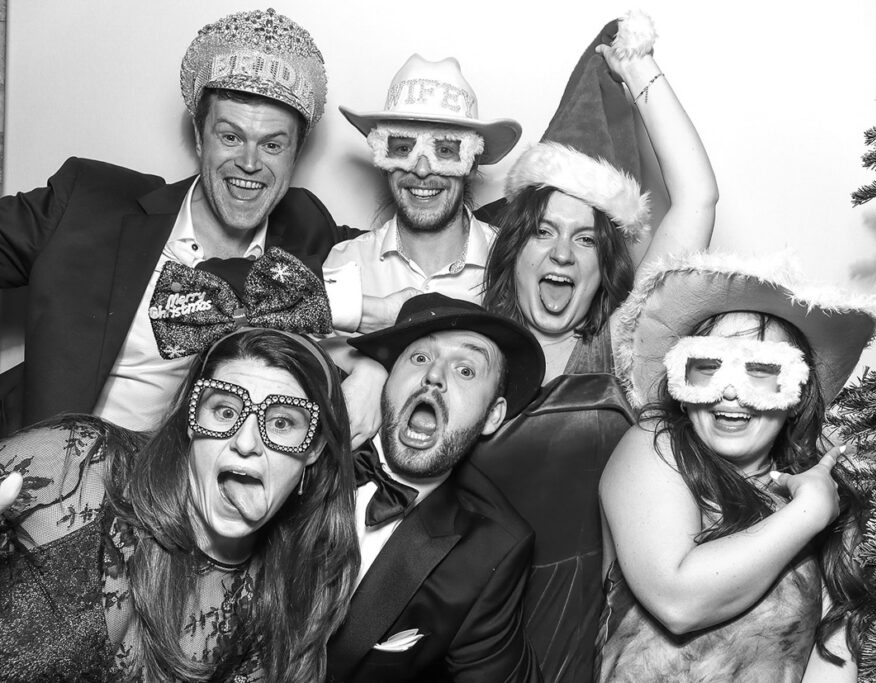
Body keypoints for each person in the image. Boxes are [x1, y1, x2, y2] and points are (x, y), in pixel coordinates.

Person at [470, 12, 717, 681]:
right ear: (514, 247)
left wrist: (640, 72)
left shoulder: (617, 344)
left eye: (584, 238)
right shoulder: (462, 348)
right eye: (544, 232)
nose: (562, 252)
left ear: (603, 261)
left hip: (583, 632)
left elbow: (697, 198)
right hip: (463, 628)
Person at [0, 8, 371, 437]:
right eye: (230, 137)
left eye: (272, 144)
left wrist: (373, 367)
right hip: (43, 472)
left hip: (182, 495)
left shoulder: (309, 231)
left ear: (296, 153)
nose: (249, 163)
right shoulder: (90, 202)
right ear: (199, 137)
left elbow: (423, 275)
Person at [0, 328, 359, 682]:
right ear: (192, 421)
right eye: (225, 412)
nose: (246, 442)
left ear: (313, 448)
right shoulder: (80, 466)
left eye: (281, 422)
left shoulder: (288, 599)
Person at [597, 252, 876, 681]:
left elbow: (834, 658)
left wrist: (823, 508)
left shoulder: (828, 494)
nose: (730, 391)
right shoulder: (652, 448)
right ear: (683, 380)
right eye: (709, 366)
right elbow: (678, 601)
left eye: (762, 369)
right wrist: (806, 514)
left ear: (796, 394)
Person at [325, 292, 544, 682]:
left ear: (493, 416)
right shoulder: (308, 436)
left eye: (466, 371)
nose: (435, 376)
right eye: (420, 358)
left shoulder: (492, 548)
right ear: (388, 377)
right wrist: (361, 362)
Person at [324, 54, 522, 333]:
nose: (421, 169)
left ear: (472, 162)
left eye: (444, 151)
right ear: (383, 160)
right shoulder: (346, 264)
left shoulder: (514, 262)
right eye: (404, 149)